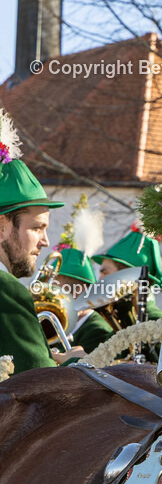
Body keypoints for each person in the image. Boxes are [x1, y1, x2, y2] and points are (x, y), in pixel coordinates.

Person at [0, 116, 84, 372]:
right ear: (2, 226)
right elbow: (40, 389)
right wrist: (77, 363)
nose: (46, 242)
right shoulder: (7, 290)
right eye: (36, 228)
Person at [53, 247, 114, 353]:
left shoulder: (97, 330)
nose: (51, 300)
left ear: (81, 291)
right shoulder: (57, 321)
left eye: (57, 292)